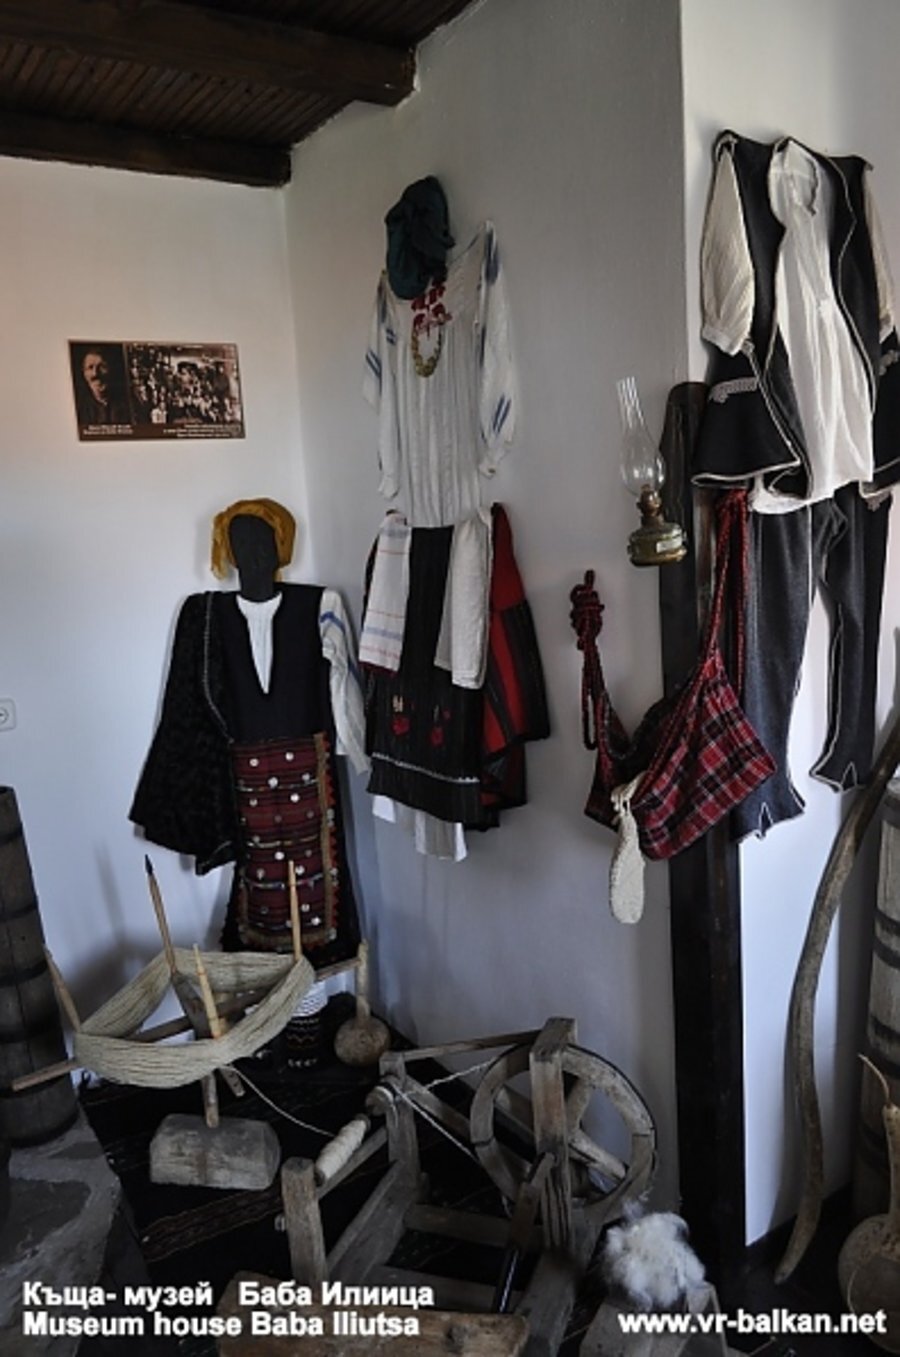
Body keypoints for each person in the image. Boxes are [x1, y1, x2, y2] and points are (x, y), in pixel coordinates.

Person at [74, 345, 131, 427]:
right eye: (90, 367)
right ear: (84, 373)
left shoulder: (130, 405)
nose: (95, 373)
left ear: (111, 369)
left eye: (102, 367)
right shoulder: (78, 408)